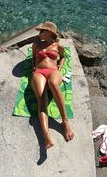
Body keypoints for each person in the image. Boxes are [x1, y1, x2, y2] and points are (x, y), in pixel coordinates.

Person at [31, 21, 75, 149]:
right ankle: (47, 137)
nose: (39, 34)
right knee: (41, 100)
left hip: (53, 72)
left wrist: (60, 68)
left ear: (50, 33)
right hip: (39, 72)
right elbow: (34, 58)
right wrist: (34, 68)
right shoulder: (36, 44)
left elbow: (63, 57)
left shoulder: (58, 46)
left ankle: (65, 122)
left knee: (53, 84)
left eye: (42, 31)